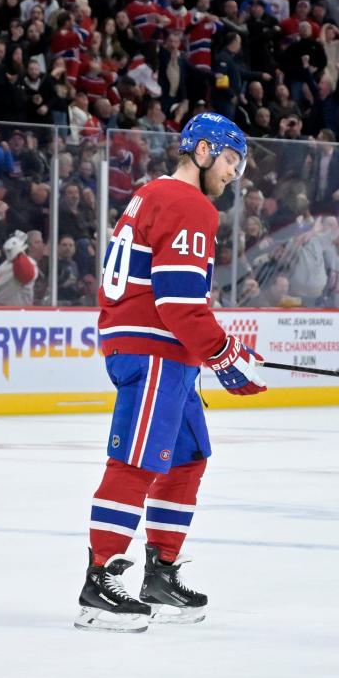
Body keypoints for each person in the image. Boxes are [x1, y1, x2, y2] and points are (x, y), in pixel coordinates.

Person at [77, 112, 265, 634]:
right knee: (136, 461)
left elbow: (179, 301)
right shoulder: (188, 203)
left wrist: (218, 350)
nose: (234, 173)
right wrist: (225, 355)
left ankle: (159, 573)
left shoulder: (152, 195)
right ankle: (100, 581)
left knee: (187, 459)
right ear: (203, 150)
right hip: (155, 349)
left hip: (166, 351)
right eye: (230, 159)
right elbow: (180, 302)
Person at [0, 230, 42, 305]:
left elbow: (26, 275)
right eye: (37, 242)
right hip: (4, 311)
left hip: (17, 312)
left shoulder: (27, 263)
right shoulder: (5, 265)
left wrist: (18, 254)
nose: (41, 245)